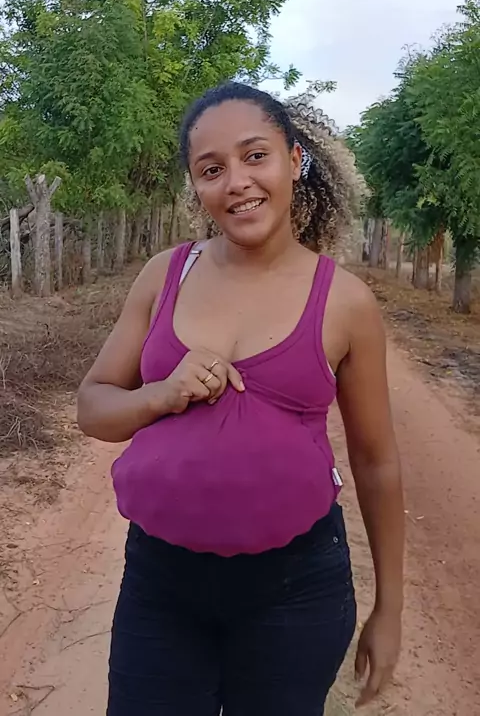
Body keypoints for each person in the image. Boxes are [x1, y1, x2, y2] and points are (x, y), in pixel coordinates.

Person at [77, 82, 404, 716]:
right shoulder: (165, 275)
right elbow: (93, 408)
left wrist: (389, 608)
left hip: (295, 591)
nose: (237, 182)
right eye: (211, 169)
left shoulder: (346, 303)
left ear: (294, 160)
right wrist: (160, 395)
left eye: (256, 156)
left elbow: (376, 461)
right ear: (196, 187)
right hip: (161, 586)